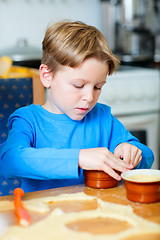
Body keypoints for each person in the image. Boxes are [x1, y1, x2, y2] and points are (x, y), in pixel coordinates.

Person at [0, 20, 154, 193]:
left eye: (98, 87)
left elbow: (147, 155)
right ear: (47, 76)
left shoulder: (102, 117)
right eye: (78, 85)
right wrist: (79, 158)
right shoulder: (28, 119)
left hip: (95, 213)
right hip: (43, 216)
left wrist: (132, 151)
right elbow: (9, 161)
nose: (89, 97)